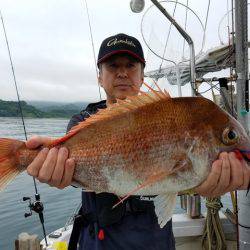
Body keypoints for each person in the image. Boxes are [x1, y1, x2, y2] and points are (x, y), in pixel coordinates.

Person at [26, 33, 250, 250]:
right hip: (100, 243)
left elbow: (181, 180)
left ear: (142, 76)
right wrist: (54, 168)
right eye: (113, 66)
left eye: (131, 66)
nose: (122, 73)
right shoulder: (84, 122)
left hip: (155, 242)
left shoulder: (170, 113)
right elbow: (72, 172)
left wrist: (205, 185)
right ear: (99, 76)